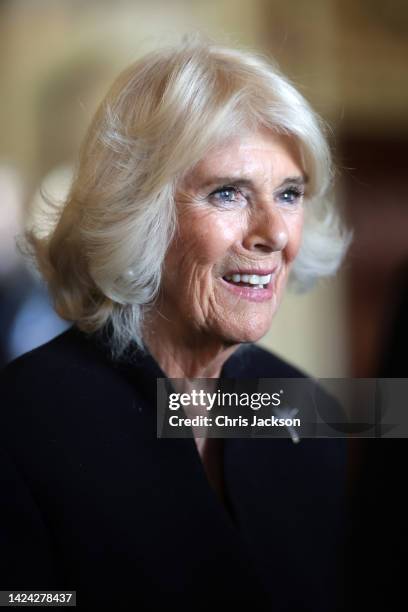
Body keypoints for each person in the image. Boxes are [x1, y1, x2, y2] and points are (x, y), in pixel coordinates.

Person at [0, 37, 351, 611]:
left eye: (289, 193)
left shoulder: (308, 411)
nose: (275, 233)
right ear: (139, 214)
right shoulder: (24, 418)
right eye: (229, 193)